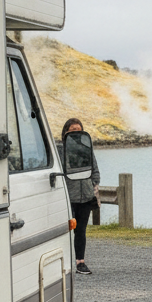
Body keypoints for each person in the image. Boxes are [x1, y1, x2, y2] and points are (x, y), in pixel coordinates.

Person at [62, 118, 100, 276]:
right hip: (68, 197)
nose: (76, 133)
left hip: (86, 196)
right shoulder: (60, 150)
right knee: (65, 231)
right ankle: (63, 263)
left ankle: (80, 262)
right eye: (73, 130)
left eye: (79, 130)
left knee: (81, 230)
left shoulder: (87, 148)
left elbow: (95, 170)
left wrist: (93, 184)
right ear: (65, 132)